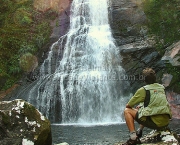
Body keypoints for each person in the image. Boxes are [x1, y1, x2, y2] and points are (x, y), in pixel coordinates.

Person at [122, 68, 172, 145]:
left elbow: (128, 105)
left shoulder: (143, 90)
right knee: (142, 107)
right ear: (155, 78)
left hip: (155, 122)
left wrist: (138, 108)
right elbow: (155, 103)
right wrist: (141, 106)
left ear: (144, 80)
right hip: (165, 122)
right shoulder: (161, 88)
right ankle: (140, 131)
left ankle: (133, 138)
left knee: (127, 111)